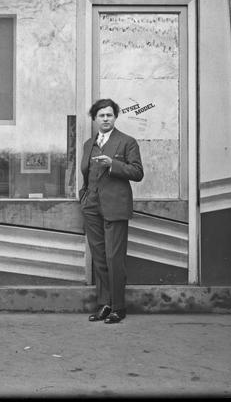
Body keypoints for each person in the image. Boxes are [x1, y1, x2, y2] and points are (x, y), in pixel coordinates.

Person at [79, 98, 143, 324]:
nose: (105, 119)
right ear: (94, 119)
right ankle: (105, 304)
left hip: (115, 207)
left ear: (115, 117)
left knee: (115, 257)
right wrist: (84, 197)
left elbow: (137, 172)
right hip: (92, 207)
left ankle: (119, 306)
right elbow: (86, 175)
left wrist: (112, 165)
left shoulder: (127, 142)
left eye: (109, 115)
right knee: (99, 258)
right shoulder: (88, 144)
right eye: (101, 116)